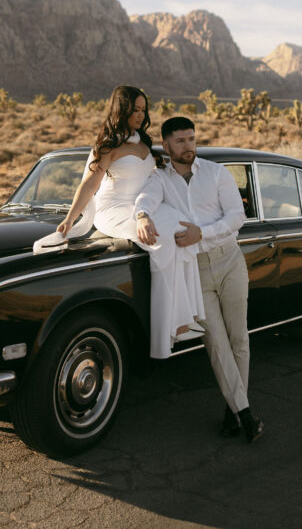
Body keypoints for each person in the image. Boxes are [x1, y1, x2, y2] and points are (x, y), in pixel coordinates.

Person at [134, 116, 264, 443]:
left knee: (239, 340)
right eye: (180, 141)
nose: (188, 146)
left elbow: (237, 217)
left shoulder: (216, 173)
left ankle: (233, 408)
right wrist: (141, 216)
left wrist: (201, 233)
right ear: (167, 145)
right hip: (195, 271)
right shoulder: (159, 180)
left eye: (191, 139)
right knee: (215, 344)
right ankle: (245, 414)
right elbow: (143, 201)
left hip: (230, 260)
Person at [56, 86, 204, 359]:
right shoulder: (108, 146)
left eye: (143, 109)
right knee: (160, 239)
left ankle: (185, 316)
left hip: (142, 207)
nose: (140, 114)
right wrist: (69, 218)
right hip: (113, 210)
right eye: (134, 109)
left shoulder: (144, 143)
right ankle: (166, 328)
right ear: (121, 110)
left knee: (183, 229)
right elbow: (89, 185)